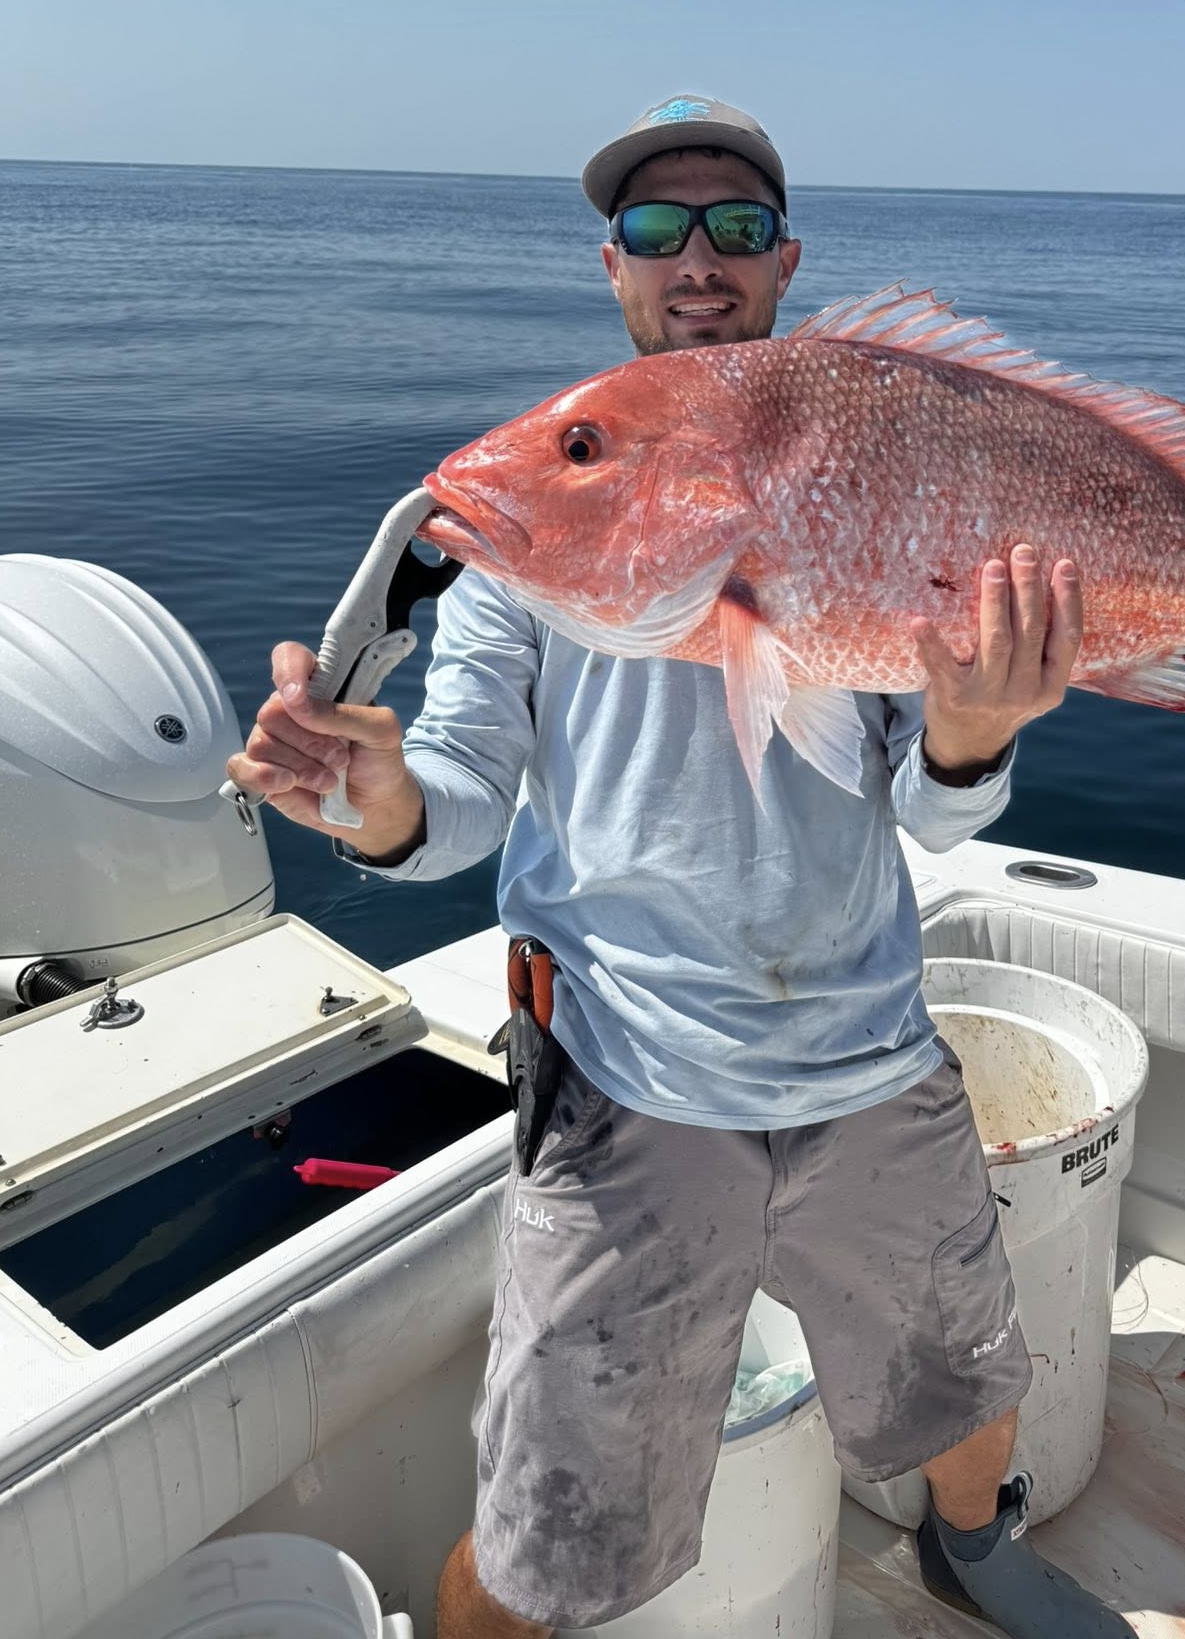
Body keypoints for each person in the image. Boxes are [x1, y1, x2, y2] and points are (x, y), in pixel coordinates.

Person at [227, 97, 1128, 1639]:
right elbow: (451, 799)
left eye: (731, 226)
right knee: (541, 1542)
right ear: (613, 269)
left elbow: (930, 811)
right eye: (655, 229)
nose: (694, 255)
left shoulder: (864, 477)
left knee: (968, 1375)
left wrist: (976, 736)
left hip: (867, 1049)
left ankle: (968, 1546)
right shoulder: (527, 524)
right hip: (624, 1078)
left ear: (784, 264)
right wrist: (373, 806)